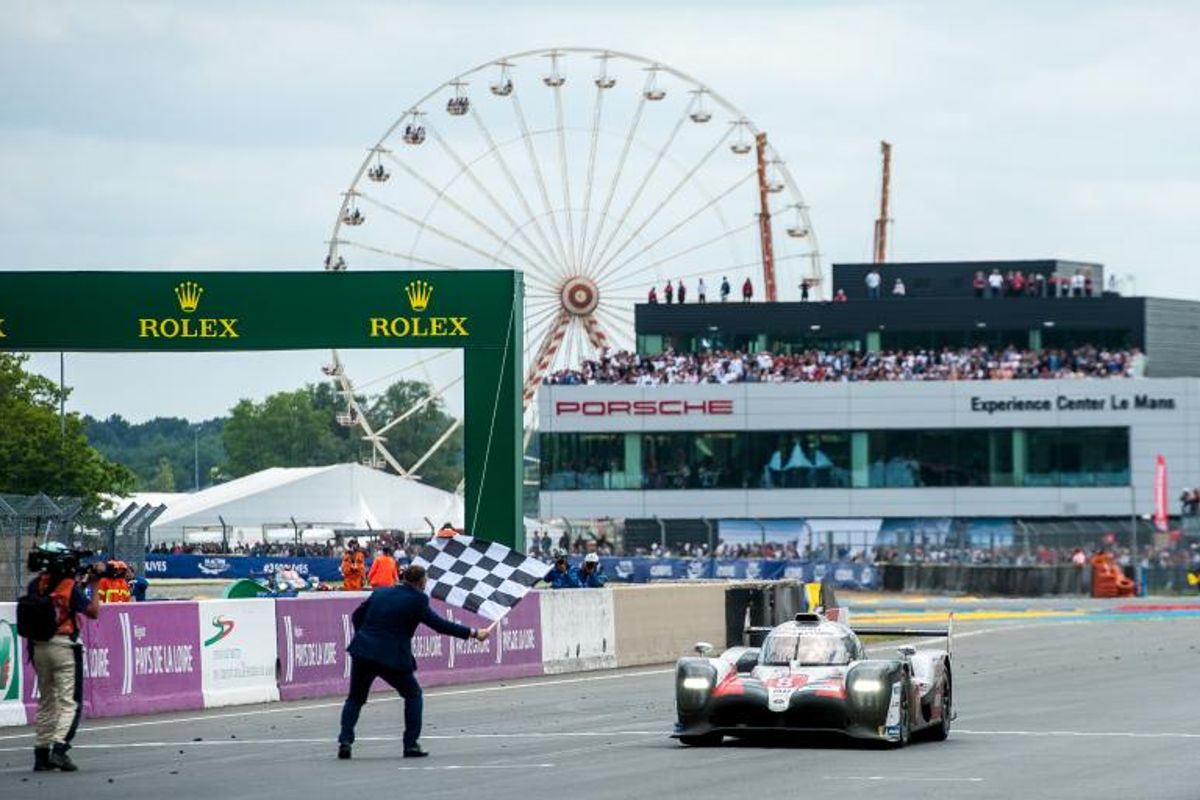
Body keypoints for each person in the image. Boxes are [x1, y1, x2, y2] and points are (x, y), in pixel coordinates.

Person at [336, 565, 491, 759]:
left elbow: (356, 616)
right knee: (413, 695)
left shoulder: (381, 593)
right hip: (392, 656)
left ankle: (345, 740)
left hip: (363, 651)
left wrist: (365, 636)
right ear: (420, 582)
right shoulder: (418, 599)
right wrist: (474, 633)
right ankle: (410, 744)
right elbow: (439, 625)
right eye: (425, 581)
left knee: (355, 698)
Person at [23, 545, 100, 772]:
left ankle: (41, 753)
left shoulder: (34, 585)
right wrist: (94, 586)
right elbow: (93, 611)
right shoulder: (69, 587)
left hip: (38, 646)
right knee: (70, 702)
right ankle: (59, 748)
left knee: (46, 700)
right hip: (64, 646)